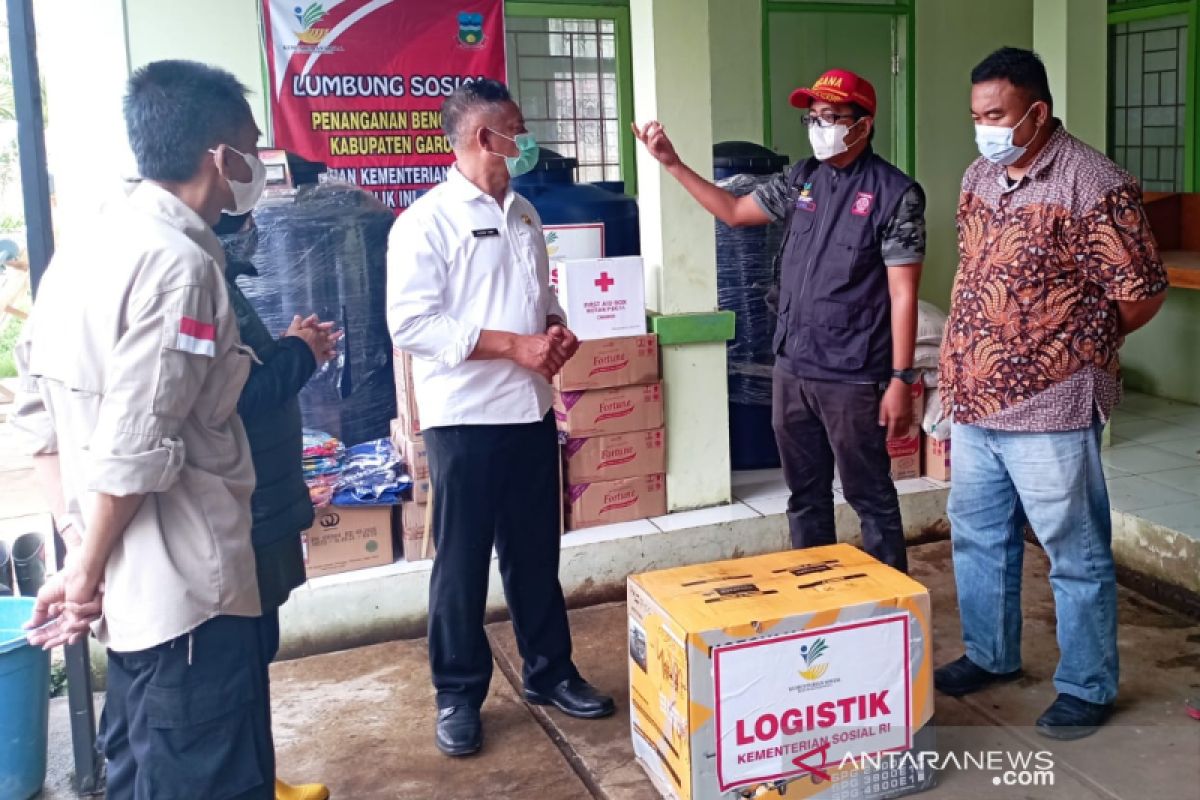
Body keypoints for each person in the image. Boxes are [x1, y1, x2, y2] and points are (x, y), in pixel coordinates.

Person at [13, 60, 276, 797]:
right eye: (250, 151)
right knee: (208, 773)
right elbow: (135, 447)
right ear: (217, 158)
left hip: (126, 599)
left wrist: (79, 561)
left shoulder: (87, 247)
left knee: (139, 768)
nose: (254, 169)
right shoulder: (180, 265)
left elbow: (39, 419)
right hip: (187, 597)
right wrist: (84, 575)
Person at [935, 47, 1167, 740]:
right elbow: (973, 274)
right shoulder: (979, 173)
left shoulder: (1092, 183)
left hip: (1053, 402)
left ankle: (1087, 685)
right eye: (977, 115)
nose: (984, 128)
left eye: (997, 115)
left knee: (1075, 550)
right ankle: (991, 654)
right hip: (975, 397)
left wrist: (1071, 346)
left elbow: (1141, 293)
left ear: (1036, 112)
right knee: (978, 536)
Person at [387, 78, 615, 758]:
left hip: (529, 412)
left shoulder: (522, 213)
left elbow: (537, 297)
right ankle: (458, 694)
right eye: (517, 127)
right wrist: (514, 345)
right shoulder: (425, 222)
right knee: (460, 565)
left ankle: (550, 671)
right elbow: (411, 322)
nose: (527, 137)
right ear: (485, 138)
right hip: (465, 420)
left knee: (535, 554)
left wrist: (554, 327)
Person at [634, 68, 925, 573]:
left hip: (852, 373)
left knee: (869, 495)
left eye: (832, 117)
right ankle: (816, 598)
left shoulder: (896, 194)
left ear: (863, 124)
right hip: (792, 366)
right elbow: (733, 211)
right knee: (805, 495)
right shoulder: (801, 180)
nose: (820, 127)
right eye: (813, 118)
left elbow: (903, 294)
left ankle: (890, 612)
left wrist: (901, 379)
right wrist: (673, 164)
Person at [215, 211, 339, 800]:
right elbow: (241, 398)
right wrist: (299, 352)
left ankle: (260, 775)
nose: (250, 225)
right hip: (247, 503)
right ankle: (252, 781)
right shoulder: (198, 283)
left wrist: (289, 344)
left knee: (256, 646)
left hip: (263, 496)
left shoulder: (222, 281)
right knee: (242, 652)